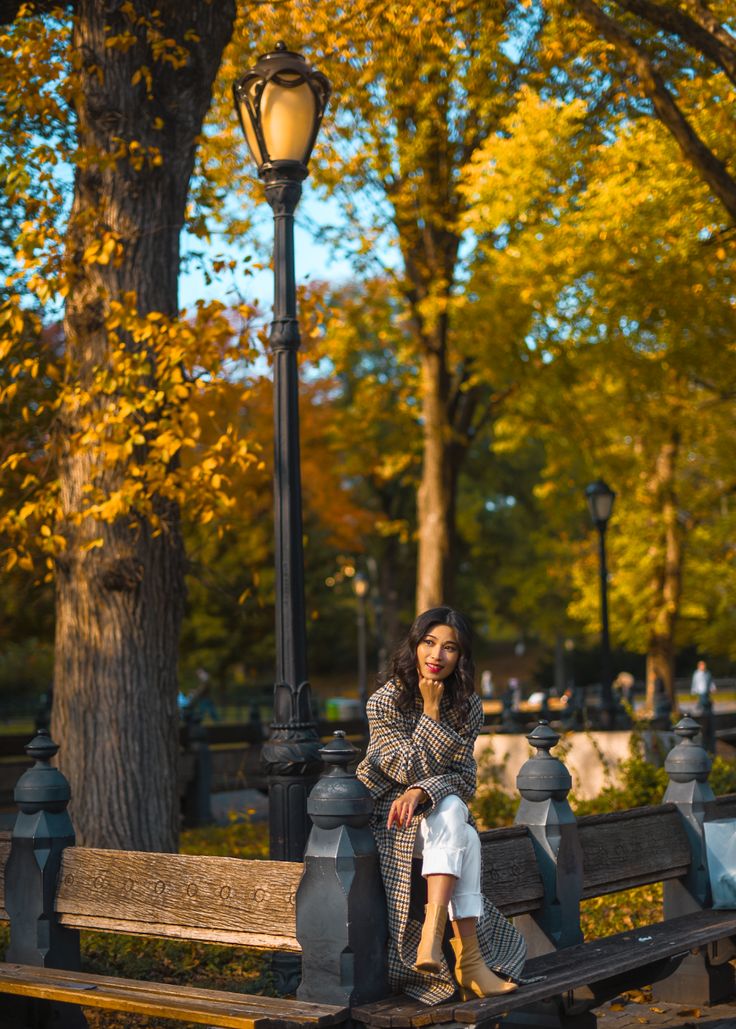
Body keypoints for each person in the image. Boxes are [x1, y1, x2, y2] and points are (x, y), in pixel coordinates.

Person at [356, 606, 527, 1006]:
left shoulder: (467, 706)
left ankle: (437, 941)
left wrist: (422, 792)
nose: (437, 656)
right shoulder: (384, 703)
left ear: (461, 657)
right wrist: (431, 713)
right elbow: (402, 767)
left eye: (449, 648)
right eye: (429, 643)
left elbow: (466, 778)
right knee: (460, 825)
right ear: (415, 645)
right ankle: (469, 959)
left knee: (453, 815)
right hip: (389, 821)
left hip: (431, 825)